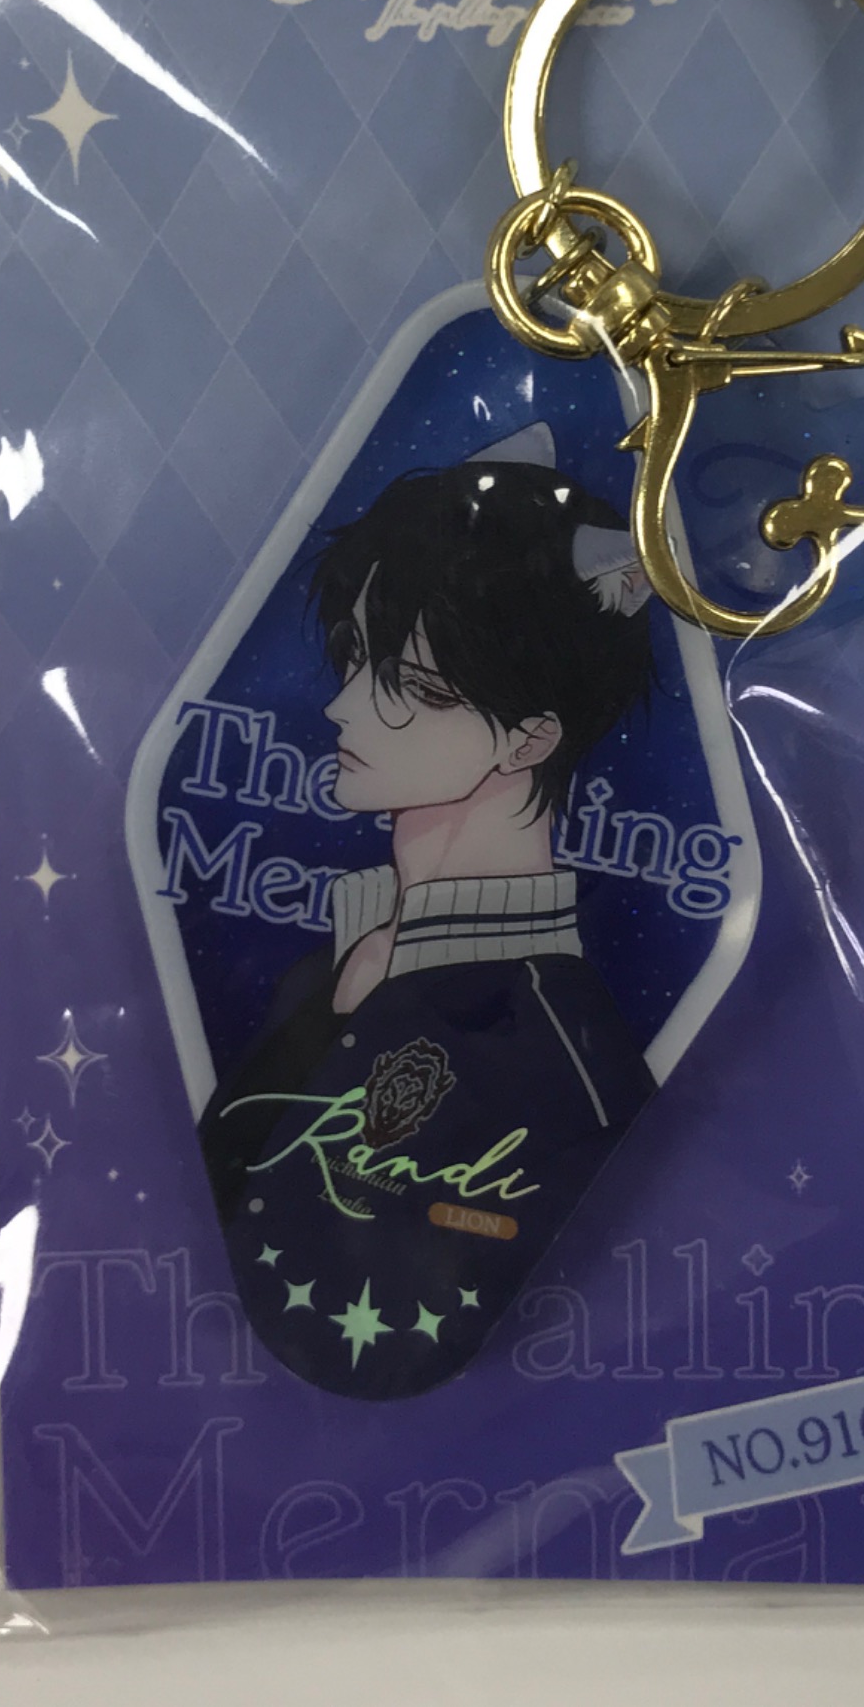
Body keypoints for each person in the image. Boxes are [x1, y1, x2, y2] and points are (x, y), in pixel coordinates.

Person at [197, 425, 660, 1399]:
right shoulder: (336, 962)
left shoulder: (562, 1051)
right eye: (355, 658)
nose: (342, 708)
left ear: (530, 739)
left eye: (412, 686)